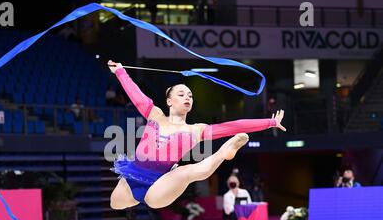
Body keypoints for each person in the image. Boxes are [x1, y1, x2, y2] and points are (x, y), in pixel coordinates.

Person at [108, 60, 286, 210]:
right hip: (132, 176)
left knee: (187, 171)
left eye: (190, 96)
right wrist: (120, 72)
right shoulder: (154, 114)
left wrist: (270, 122)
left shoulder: (196, 130)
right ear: (169, 101)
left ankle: (224, 152)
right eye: (181, 94)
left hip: (159, 187)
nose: (187, 97)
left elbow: (232, 126)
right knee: (114, 204)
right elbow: (136, 96)